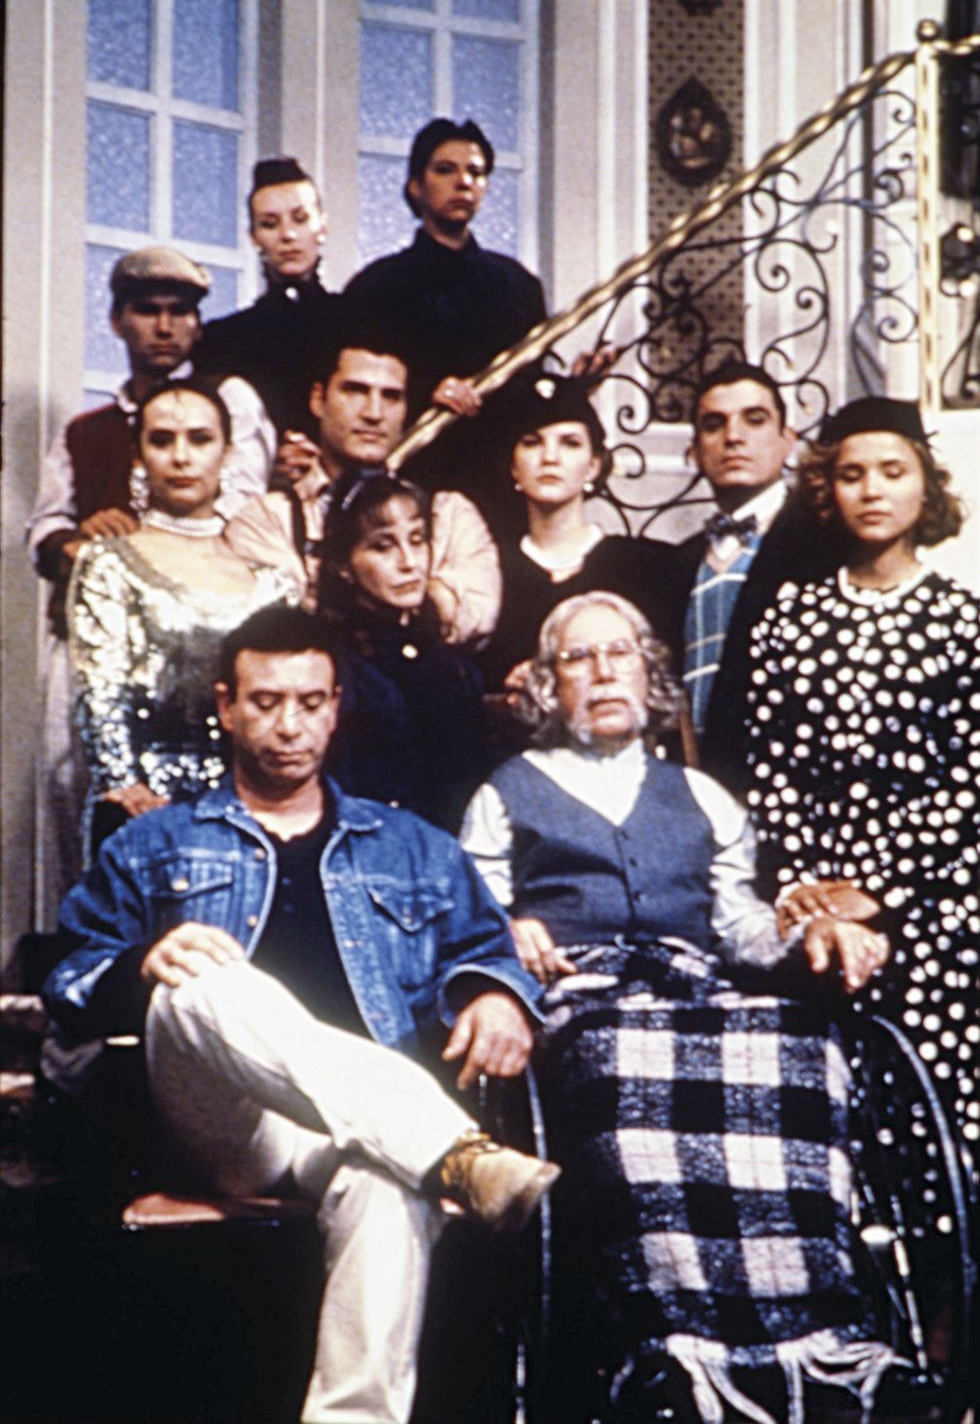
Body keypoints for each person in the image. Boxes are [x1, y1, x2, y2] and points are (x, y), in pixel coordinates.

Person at [42, 606, 558, 1424]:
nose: (290, 726)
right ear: (226, 706)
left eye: (311, 703)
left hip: (356, 1129)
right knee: (202, 979)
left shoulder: (412, 847)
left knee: (390, 1186)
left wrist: (493, 992)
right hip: (219, 1125)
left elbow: (484, 949)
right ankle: (458, 1152)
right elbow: (66, 975)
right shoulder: (153, 844)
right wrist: (140, 966)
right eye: (266, 701)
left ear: (336, 706)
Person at [462, 591, 895, 1424]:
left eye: (619, 652)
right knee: (616, 1054)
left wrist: (806, 935)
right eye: (578, 658)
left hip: (698, 985)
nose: (602, 672)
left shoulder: (700, 794)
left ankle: (818, 1341)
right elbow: (475, 912)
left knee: (803, 1041)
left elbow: (739, 927)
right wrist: (506, 927)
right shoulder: (506, 793)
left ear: (648, 672)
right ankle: (673, 1345)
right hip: (582, 992)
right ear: (549, 683)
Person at [744, 396, 980, 1163]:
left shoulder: (963, 622)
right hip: (813, 906)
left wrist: (880, 889)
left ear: (926, 487)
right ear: (827, 490)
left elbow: (967, 785)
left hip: (933, 906)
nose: (872, 490)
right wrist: (801, 885)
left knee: (930, 1125)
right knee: (820, 1122)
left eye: (892, 472)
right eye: (852, 475)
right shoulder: (790, 618)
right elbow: (773, 769)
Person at [25, 246, 277, 910]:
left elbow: (243, 510)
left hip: (206, 634)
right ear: (118, 321)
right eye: (147, 311)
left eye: (179, 312)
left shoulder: (225, 408)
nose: (164, 327)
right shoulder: (85, 431)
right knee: (76, 792)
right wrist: (81, 542)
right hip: (100, 641)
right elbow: (44, 528)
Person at [68, 378, 297, 853]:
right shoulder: (109, 562)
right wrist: (124, 785)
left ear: (227, 452)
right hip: (144, 808)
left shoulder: (271, 579)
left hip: (257, 805)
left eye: (199, 439)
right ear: (138, 457)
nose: (180, 457)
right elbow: (101, 690)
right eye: (161, 440)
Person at [225, 326, 501, 646]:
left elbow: (476, 613)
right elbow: (281, 624)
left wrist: (333, 595)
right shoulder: (266, 518)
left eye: (391, 397)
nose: (374, 413)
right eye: (355, 391)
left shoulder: (448, 514)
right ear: (319, 399)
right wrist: (429, 593)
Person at [668, 360, 840, 792]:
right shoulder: (681, 562)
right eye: (714, 424)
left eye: (755, 419)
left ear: (788, 441)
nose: (734, 437)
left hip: (799, 786)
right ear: (695, 451)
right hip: (702, 791)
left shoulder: (827, 540)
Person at [478, 373, 675, 692]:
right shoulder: (489, 571)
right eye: (532, 443)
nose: (550, 458)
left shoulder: (642, 565)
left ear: (593, 466)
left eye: (570, 443)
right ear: (514, 467)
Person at [342, 118, 546, 421]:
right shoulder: (375, 287)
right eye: (445, 170)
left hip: (501, 447)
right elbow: (354, 387)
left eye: (476, 172)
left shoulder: (520, 285)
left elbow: (531, 395)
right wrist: (425, 392)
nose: (463, 182)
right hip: (413, 445)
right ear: (415, 187)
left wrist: (582, 382)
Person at [320, 469, 489, 829]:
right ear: (343, 565)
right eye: (383, 547)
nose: (409, 562)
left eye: (417, 540)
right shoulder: (336, 663)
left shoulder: (450, 661)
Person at [195, 156, 342, 456]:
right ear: (254, 237)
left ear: (322, 226)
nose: (287, 235)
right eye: (269, 224)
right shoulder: (222, 340)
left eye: (300, 219)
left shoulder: (358, 319)